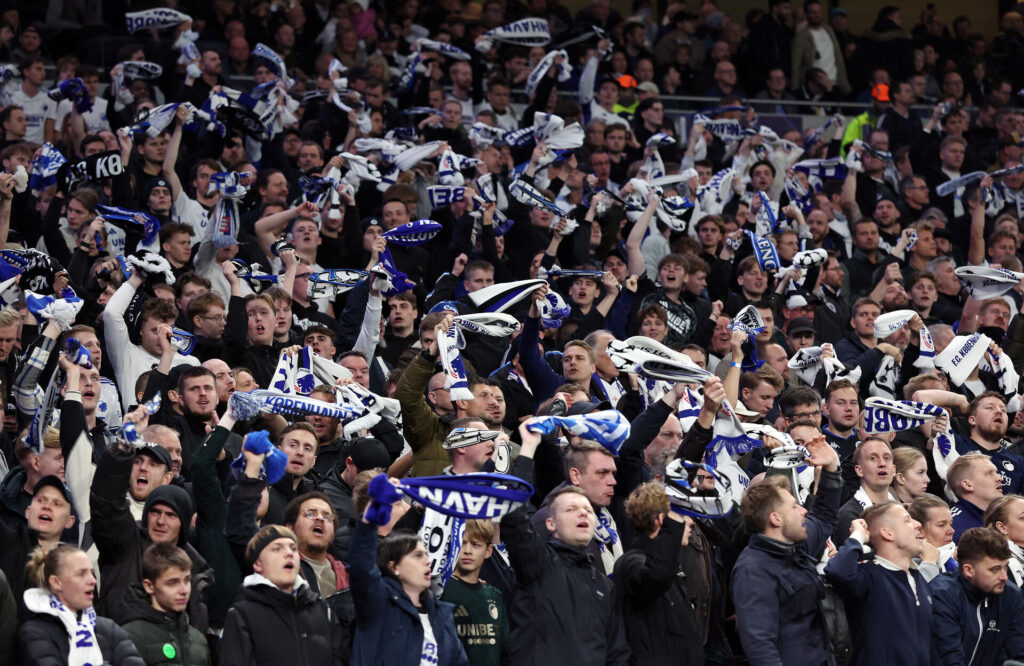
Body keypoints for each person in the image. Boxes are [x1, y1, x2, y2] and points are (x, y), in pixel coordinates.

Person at [731, 433, 841, 665]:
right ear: (776, 519)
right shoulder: (753, 570)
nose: (803, 510)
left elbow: (823, 516)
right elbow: (761, 647)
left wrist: (831, 467)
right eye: (794, 507)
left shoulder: (795, 546)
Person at [348, 493, 469, 665]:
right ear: (394, 566)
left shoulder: (442, 614)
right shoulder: (379, 603)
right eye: (417, 555)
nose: (427, 561)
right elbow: (361, 568)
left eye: (426, 555)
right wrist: (370, 517)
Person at [220, 525, 345, 665]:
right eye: (277, 549)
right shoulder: (241, 615)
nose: (289, 553)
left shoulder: (321, 609)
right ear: (257, 564)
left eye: (293, 548)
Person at [825, 505, 933, 666]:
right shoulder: (868, 575)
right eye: (907, 520)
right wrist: (857, 536)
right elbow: (837, 571)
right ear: (887, 533)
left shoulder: (918, 578)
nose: (918, 525)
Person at [613, 481, 701, 665]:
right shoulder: (632, 563)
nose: (690, 521)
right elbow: (656, 577)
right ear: (662, 519)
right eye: (682, 515)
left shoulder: (670, 565)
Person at [18, 544, 145, 665]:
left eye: (92, 573)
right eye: (81, 574)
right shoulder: (35, 632)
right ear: (56, 582)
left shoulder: (109, 629)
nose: (93, 580)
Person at [929, 527, 1024, 664]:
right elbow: (949, 658)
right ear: (968, 570)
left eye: (1005, 567)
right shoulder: (942, 595)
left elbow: (1019, 654)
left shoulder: (1011, 595)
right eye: (995, 569)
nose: (1004, 577)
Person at [118, 543, 212, 666]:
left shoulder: (198, 639)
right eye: (173, 583)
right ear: (149, 586)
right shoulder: (131, 636)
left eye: (187, 580)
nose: (184, 590)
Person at [440, 518, 510, 666]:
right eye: (462, 543)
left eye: (476, 544)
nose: (468, 551)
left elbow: (505, 649)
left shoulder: (494, 595)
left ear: (488, 551)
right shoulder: (442, 590)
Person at [948, 452, 1005, 541]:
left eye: (996, 472)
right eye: (989, 473)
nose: (999, 478)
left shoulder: (1008, 517)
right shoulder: (950, 525)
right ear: (967, 485)